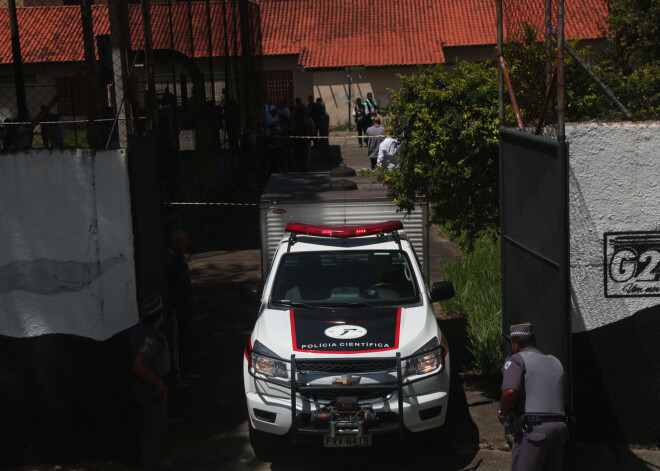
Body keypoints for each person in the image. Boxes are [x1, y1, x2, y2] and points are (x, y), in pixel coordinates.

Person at [498, 322, 568, 471]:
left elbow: (510, 391)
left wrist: (502, 413)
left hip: (533, 431)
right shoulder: (555, 362)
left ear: (516, 345)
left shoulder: (516, 359)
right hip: (559, 430)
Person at [130, 296, 170, 471]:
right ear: (159, 317)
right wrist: (157, 382)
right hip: (151, 392)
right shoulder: (150, 340)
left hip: (148, 390)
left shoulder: (136, 332)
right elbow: (138, 365)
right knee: (153, 433)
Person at [166, 230, 202, 385]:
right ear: (175, 244)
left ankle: (187, 368)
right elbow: (169, 288)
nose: (185, 246)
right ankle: (178, 374)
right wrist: (172, 310)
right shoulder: (170, 262)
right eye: (182, 243)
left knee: (186, 338)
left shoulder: (180, 260)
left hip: (185, 307)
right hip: (177, 309)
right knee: (178, 341)